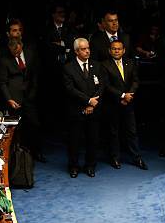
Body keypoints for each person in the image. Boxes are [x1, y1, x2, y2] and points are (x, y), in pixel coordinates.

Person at [63, 38, 106, 178]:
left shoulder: (97, 65)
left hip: (94, 109)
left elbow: (101, 86)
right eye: (83, 49)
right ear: (76, 51)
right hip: (76, 109)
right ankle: (74, 166)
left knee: (93, 139)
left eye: (88, 48)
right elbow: (70, 89)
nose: (87, 51)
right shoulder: (68, 67)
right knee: (74, 140)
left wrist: (92, 103)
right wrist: (87, 101)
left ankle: (90, 166)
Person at [101, 40, 147, 170]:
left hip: (129, 103)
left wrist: (129, 95)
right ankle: (115, 158)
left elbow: (136, 81)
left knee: (132, 132)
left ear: (124, 50)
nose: (116, 51)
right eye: (114, 49)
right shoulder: (104, 65)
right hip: (112, 104)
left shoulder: (131, 63)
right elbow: (106, 85)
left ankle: (137, 158)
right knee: (113, 132)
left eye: (119, 49)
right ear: (110, 51)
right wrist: (122, 96)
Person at [0, 38, 44, 162]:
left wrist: (33, 93)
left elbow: (34, 75)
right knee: (17, 129)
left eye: (18, 51)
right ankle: (17, 157)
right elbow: (3, 82)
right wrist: (9, 99)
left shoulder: (30, 54)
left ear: (21, 46)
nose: (16, 54)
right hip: (14, 99)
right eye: (13, 52)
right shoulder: (4, 60)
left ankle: (36, 152)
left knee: (35, 124)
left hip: (30, 96)